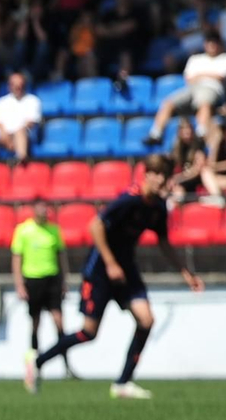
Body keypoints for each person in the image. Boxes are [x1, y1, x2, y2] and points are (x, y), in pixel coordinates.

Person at [25, 155, 205, 399]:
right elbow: (95, 226)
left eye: (165, 174)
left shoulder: (157, 207)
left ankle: (123, 382)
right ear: (147, 174)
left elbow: (164, 242)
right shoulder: (129, 199)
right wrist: (110, 264)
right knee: (89, 332)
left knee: (146, 320)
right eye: (157, 174)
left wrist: (186, 274)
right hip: (100, 270)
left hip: (126, 269)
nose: (162, 179)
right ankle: (38, 362)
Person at [11, 201, 73, 379]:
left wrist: (64, 280)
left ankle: (66, 366)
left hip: (52, 279)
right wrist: (19, 284)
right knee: (36, 323)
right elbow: (17, 258)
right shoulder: (23, 230)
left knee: (59, 321)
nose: (44, 212)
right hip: (33, 280)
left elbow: (61, 256)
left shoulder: (54, 230)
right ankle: (35, 365)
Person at [146, 30, 226, 146]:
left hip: (212, 88)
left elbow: (221, 76)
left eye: (215, 42)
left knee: (204, 103)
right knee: (168, 102)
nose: (212, 45)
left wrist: (199, 75)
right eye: (209, 42)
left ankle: (201, 134)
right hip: (192, 89)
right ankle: (155, 133)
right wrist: (208, 74)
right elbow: (189, 78)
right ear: (205, 44)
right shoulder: (195, 58)